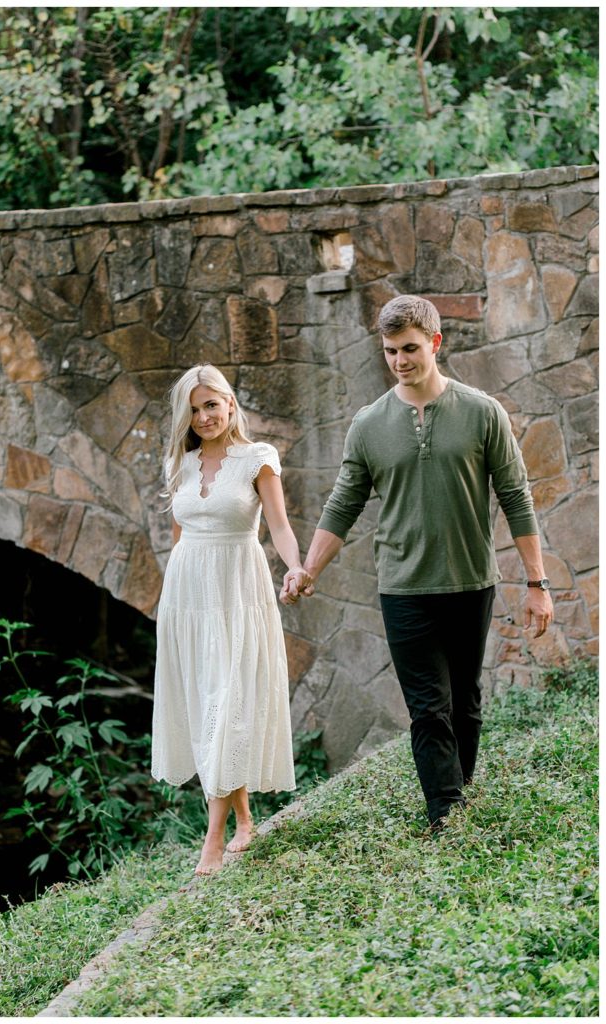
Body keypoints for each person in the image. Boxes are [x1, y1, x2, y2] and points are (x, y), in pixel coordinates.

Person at [282, 294, 554, 830]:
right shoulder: (369, 424)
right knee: (428, 707)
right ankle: (445, 816)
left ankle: (461, 794)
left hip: (470, 580)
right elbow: (343, 503)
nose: (400, 361)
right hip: (403, 586)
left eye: (409, 348)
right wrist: (309, 567)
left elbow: (517, 498)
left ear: (435, 342)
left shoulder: (482, 412)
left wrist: (537, 582)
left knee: (464, 701)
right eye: (390, 351)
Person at [151, 364, 312, 874]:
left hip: (237, 592)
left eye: (211, 405)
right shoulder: (181, 462)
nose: (203, 416)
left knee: (229, 698)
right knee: (208, 708)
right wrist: (169, 604)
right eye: (194, 408)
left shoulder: (258, 459)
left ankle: (213, 838)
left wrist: (297, 567)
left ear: (230, 404)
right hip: (187, 597)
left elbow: (279, 527)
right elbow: (179, 536)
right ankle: (245, 819)